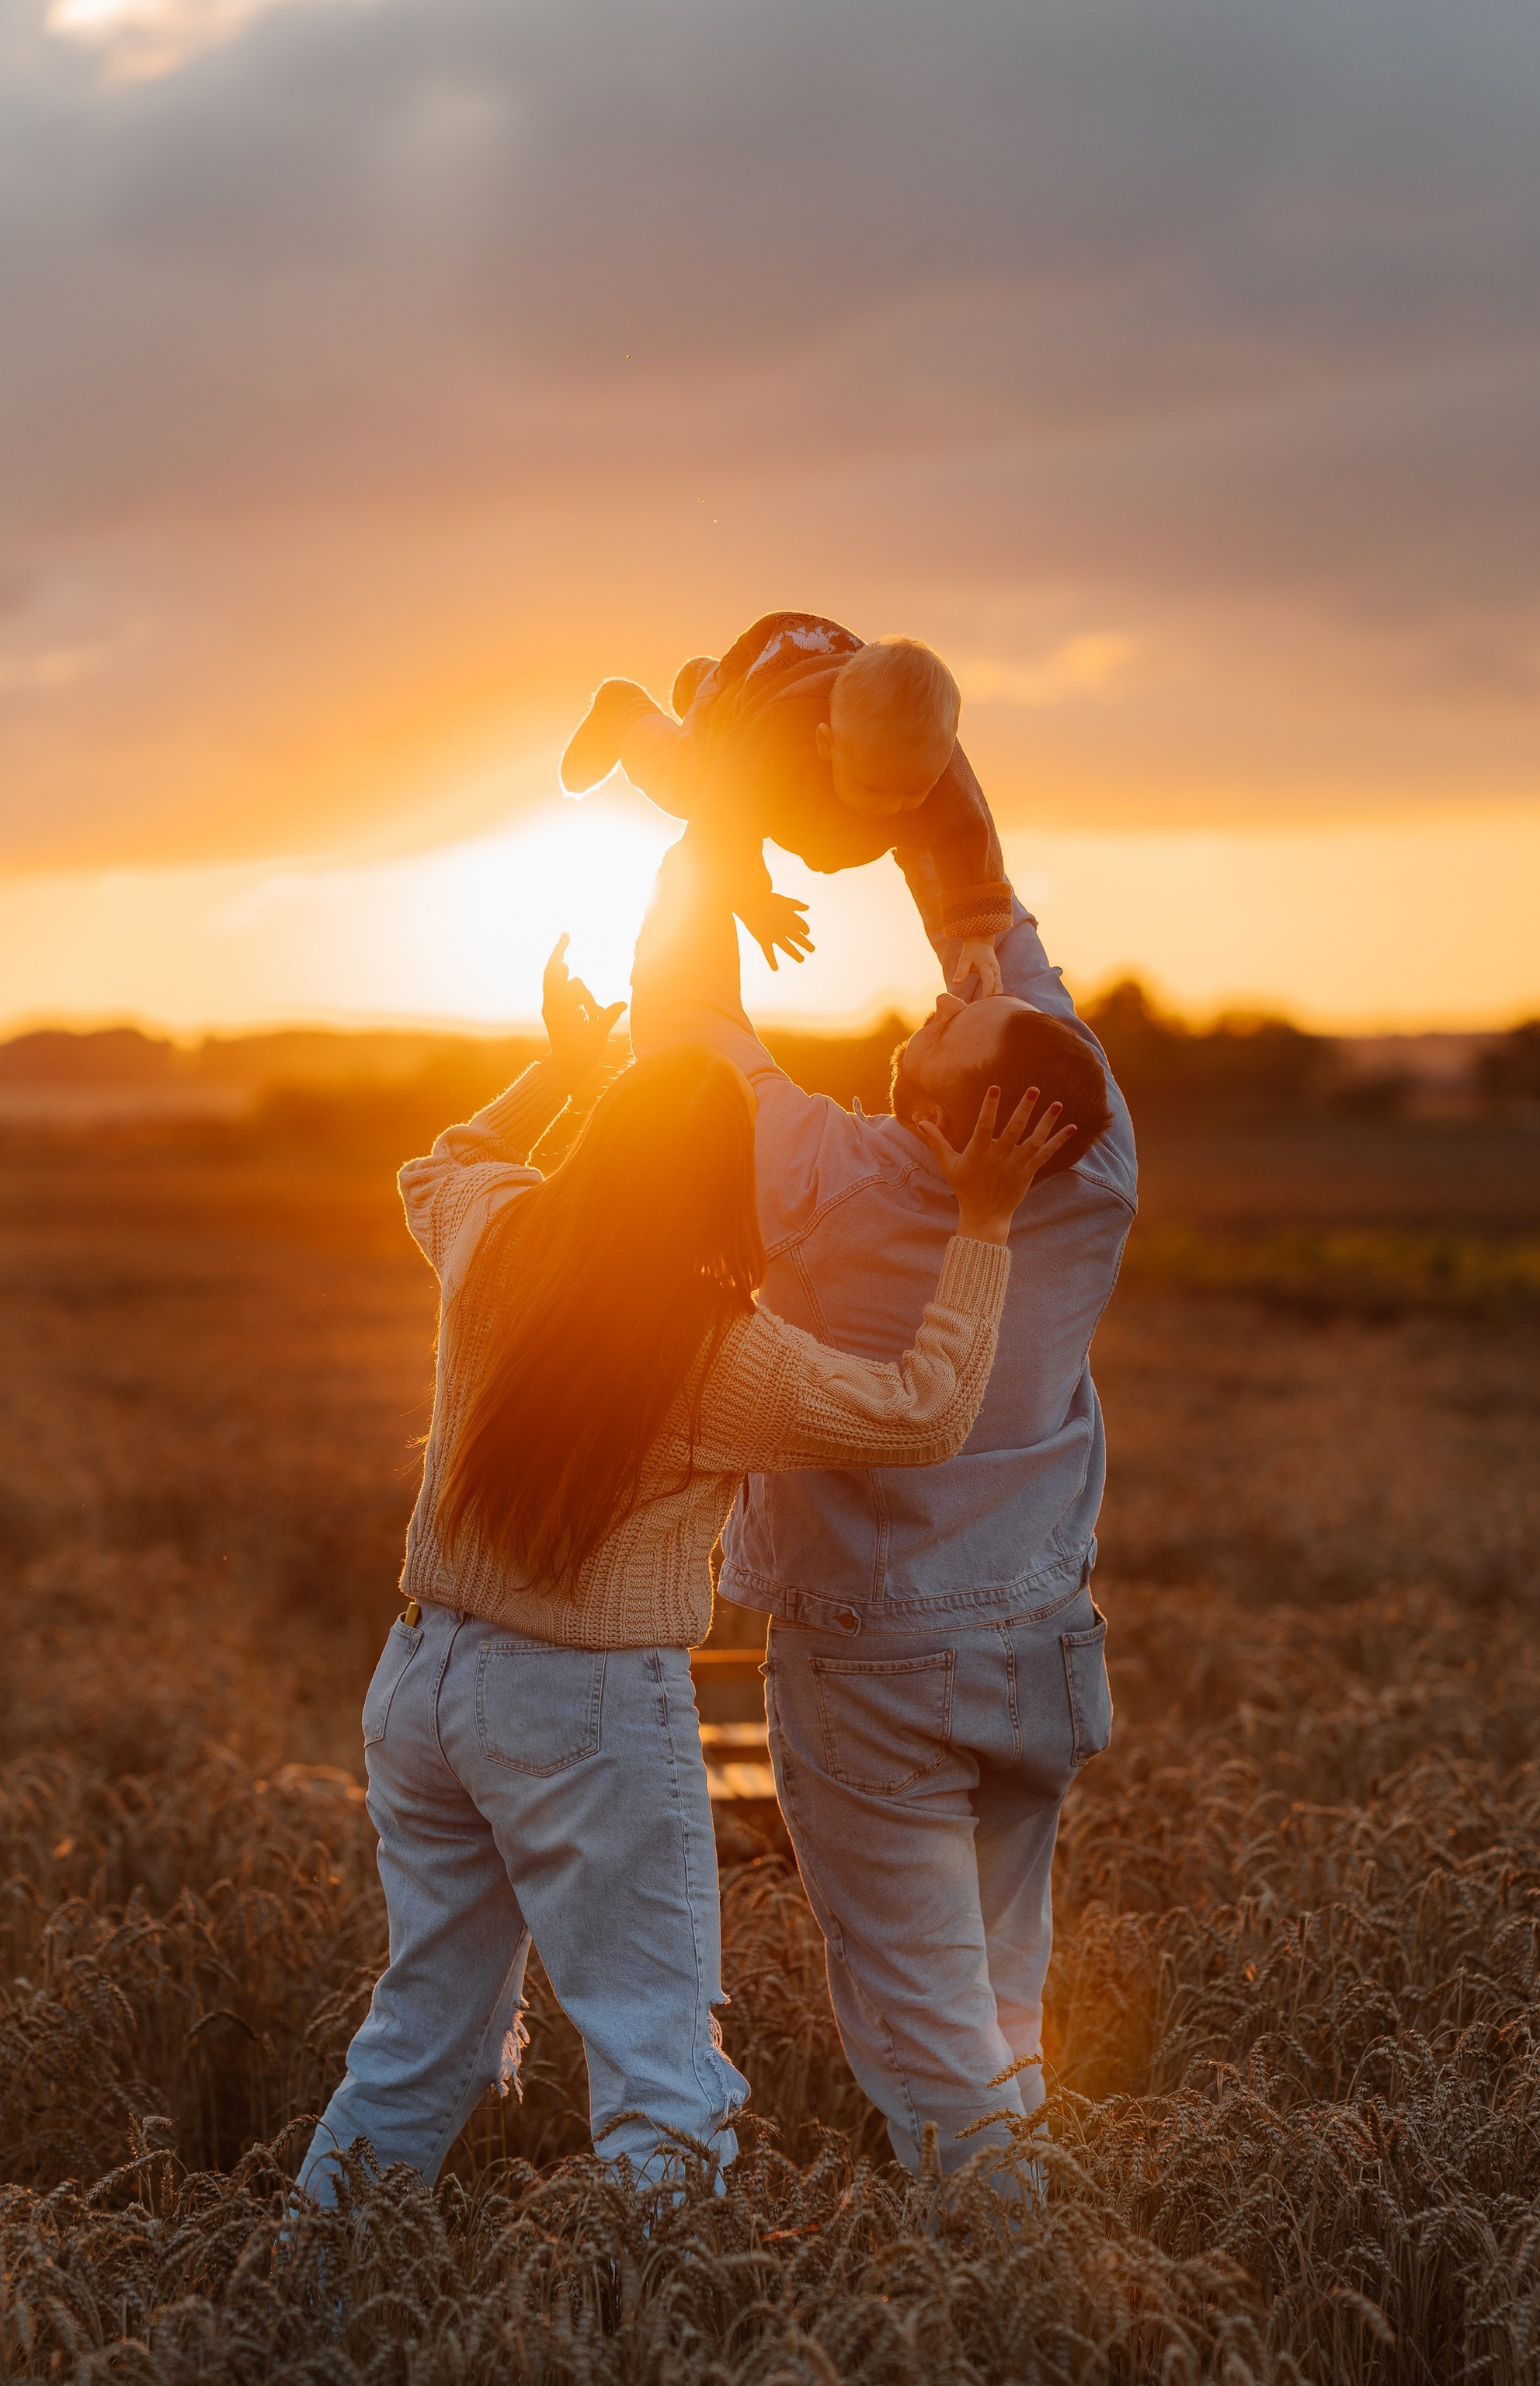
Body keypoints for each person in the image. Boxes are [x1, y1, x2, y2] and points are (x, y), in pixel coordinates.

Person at [297, 939, 1069, 2210]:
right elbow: (923, 1413)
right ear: (724, 1189)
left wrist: (555, 1070)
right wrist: (982, 1224)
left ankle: (301, 2314)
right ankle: (650, 2362)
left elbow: (439, 1165)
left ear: (602, 1144)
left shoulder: (499, 1245)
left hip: (423, 1685)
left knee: (415, 2047)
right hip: (585, 1713)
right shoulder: (717, 1349)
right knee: (660, 2068)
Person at [630, 853, 1138, 2181]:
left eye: (940, 1025)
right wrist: (981, 983)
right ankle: (1026, 2268)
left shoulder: (823, 1182)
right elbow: (1007, 952)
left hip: (881, 1671)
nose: (931, 1005)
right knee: (1000, 2005)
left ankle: (1015, 2315)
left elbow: (682, 1014)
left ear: (947, 1120)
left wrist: (711, 835)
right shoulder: (1099, 1175)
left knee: (929, 2039)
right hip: (1041, 1644)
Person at [559, 609, 1014, 995]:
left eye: (916, 792)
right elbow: (721, 823)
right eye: (874, 789)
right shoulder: (772, 743)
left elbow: (970, 834)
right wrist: (753, 900)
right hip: (744, 715)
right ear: (826, 743)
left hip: (780, 675)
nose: (894, 807)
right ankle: (625, 709)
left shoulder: (935, 764)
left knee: (939, 814)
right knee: (687, 786)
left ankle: (704, 685)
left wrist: (976, 934)